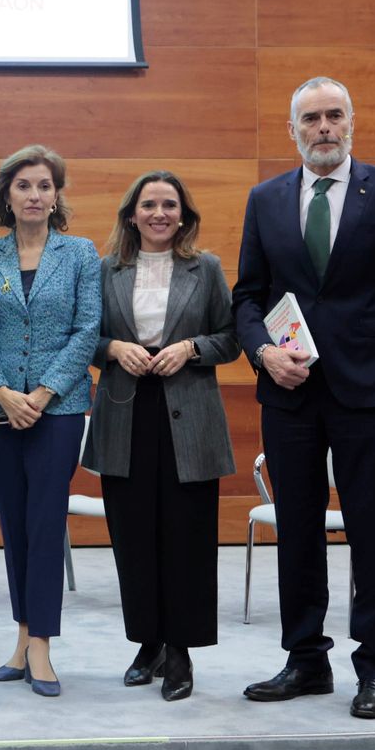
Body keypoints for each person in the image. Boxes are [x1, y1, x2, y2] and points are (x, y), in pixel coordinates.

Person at [234, 76, 375, 720]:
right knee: (297, 530)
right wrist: (264, 352)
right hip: (290, 393)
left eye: (334, 116)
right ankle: (305, 659)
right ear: (292, 130)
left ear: (351, 122)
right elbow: (247, 297)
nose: (322, 128)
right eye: (310, 119)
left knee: (371, 532)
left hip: (369, 393)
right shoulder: (265, 199)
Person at [83, 170, 239, 702]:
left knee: (188, 538)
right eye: (148, 204)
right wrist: (110, 349)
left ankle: (181, 652)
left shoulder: (207, 268)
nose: (159, 213)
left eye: (169, 204)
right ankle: (147, 643)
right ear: (132, 214)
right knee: (134, 537)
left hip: (189, 414)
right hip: (125, 413)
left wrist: (192, 348)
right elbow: (82, 336)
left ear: (183, 215)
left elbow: (231, 338)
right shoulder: (105, 270)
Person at [0, 144, 100, 697]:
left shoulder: (81, 253)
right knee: (13, 524)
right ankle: (21, 637)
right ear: (7, 195)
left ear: (56, 195)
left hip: (59, 409)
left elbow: (86, 329)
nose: (35, 195)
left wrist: (40, 395)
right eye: (24, 186)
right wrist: (2, 393)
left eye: (44, 186)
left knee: (45, 524)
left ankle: (41, 643)